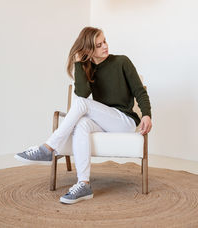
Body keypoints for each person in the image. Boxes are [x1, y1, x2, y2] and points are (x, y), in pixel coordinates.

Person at [14, 26, 152, 204]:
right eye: (98, 45)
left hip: (124, 121)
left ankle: (48, 148)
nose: (105, 46)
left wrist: (147, 115)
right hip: (104, 121)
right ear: (88, 49)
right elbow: (83, 92)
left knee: (80, 104)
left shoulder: (122, 61)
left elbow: (139, 91)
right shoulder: (88, 68)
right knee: (81, 124)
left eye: (105, 41)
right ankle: (84, 183)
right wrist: (79, 63)